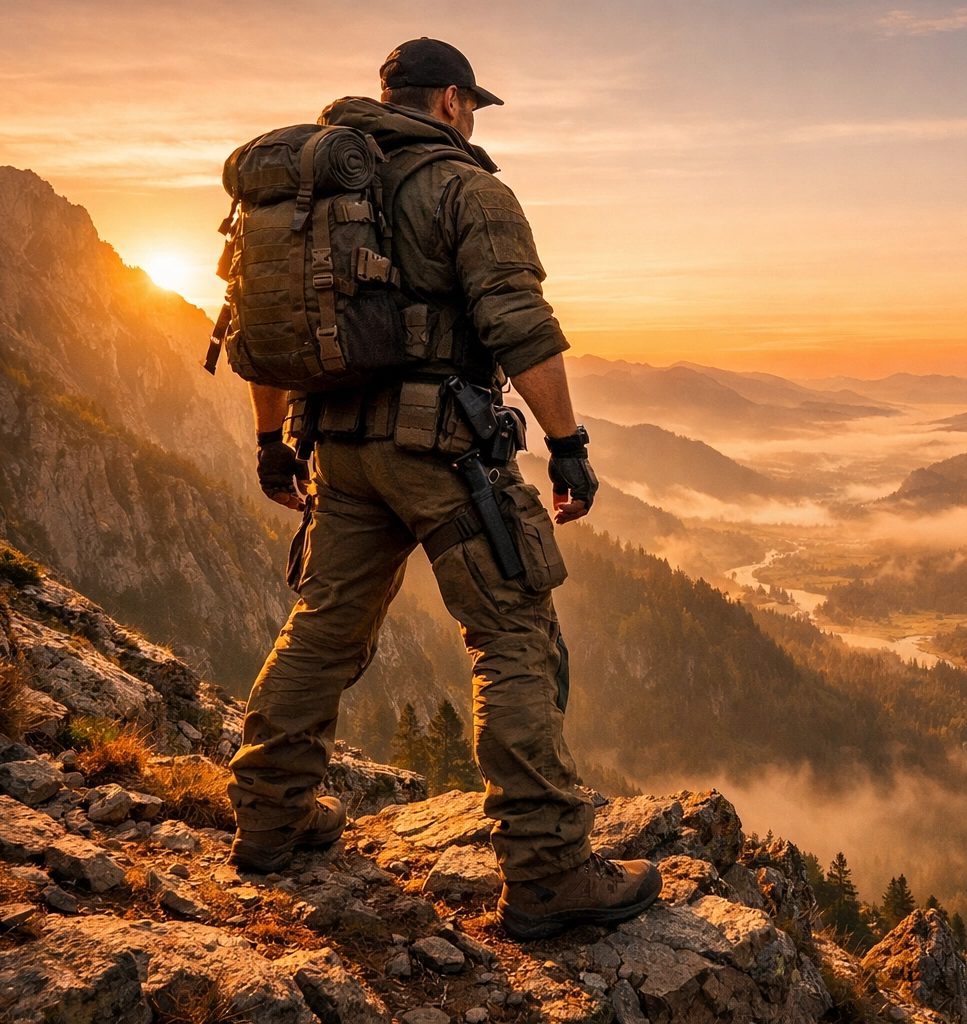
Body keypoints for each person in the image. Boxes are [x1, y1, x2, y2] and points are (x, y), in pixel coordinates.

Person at [226, 37, 661, 940]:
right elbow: (520, 325)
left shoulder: (306, 192)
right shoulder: (467, 188)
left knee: (322, 630)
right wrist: (569, 446)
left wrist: (274, 446)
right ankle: (546, 873)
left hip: (338, 451)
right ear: (454, 100)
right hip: (445, 457)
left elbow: (255, 330)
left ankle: (270, 819)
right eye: (472, 106)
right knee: (513, 637)